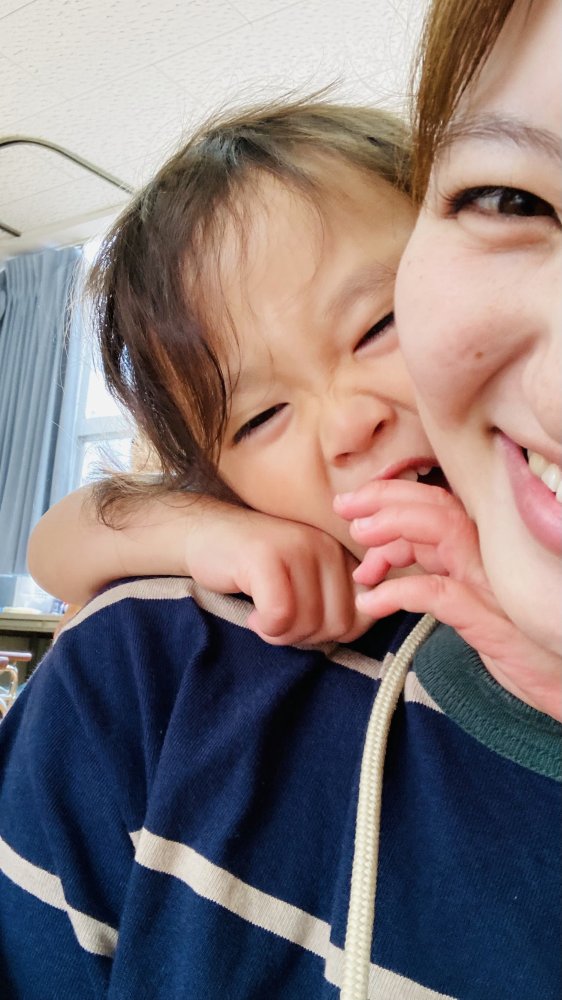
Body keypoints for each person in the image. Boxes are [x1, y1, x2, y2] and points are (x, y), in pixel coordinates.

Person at [0, 7, 559, 990]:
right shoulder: (192, 650)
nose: (346, 425)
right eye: (260, 418)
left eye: (378, 324)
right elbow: (58, 541)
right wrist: (209, 533)